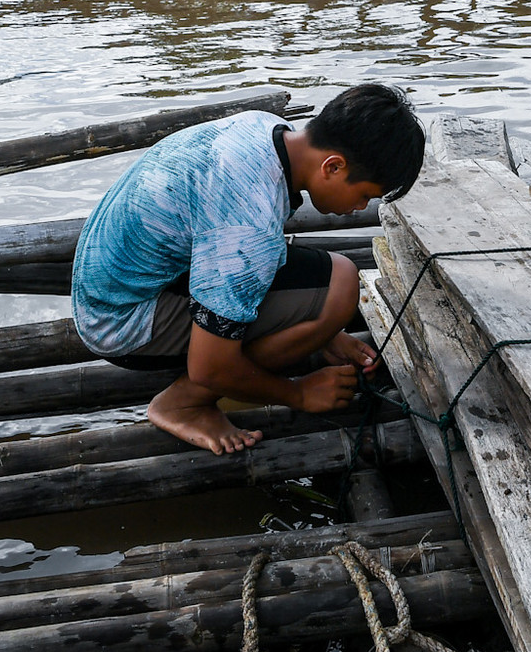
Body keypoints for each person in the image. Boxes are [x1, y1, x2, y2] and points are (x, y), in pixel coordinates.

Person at [71, 84, 425, 454]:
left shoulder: (268, 129)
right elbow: (211, 367)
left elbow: (243, 244)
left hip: (117, 285)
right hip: (122, 322)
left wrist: (322, 334)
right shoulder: (249, 219)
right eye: (365, 195)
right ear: (333, 166)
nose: (359, 207)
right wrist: (298, 392)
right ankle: (184, 404)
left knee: (337, 280)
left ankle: (304, 328)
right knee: (340, 290)